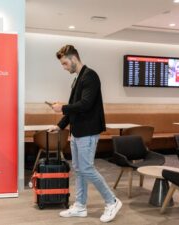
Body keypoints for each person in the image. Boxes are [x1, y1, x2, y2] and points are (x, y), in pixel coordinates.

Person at [49, 45, 122, 222]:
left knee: (87, 168)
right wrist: (60, 126)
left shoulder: (90, 76)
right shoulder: (77, 79)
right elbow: (74, 109)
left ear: (74, 58)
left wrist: (62, 107)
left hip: (88, 131)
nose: (65, 67)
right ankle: (80, 206)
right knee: (79, 169)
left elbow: (86, 104)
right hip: (77, 132)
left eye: (65, 63)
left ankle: (112, 201)